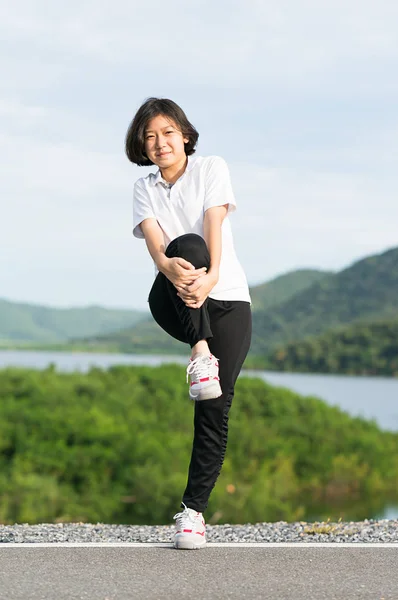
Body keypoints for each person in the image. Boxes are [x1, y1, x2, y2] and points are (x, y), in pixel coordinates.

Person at [125, 98, 252, 550]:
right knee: (186, 245)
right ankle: (199, 351)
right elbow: (159, 250)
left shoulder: (211, 167)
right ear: (143, 144)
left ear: (185, 135)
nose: (160, 143)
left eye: (167, 132)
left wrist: (212, 277)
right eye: (150, 136)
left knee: (215, 406)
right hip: (173, 298)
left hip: (228, 299)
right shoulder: (144, 188)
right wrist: (176, 270)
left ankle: (193, 514)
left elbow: (215, 219)